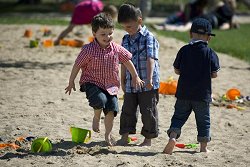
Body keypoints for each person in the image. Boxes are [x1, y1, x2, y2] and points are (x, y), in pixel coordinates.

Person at [65, 13, 144, 146]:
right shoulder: (88, 49)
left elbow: (127, 61)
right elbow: (77, 64)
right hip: (91, 82)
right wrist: (71, 81)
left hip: (111, 85)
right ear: (94, 33)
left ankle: (107, 134)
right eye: (103, 34)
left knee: (112, 110)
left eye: (110, 33)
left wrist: (136, 76)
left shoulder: (116, 49)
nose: (107, 37)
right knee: (100, 100)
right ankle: (96, 117)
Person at [163, 18, 220, 154]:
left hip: (183, 93)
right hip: (202, 95)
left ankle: (173, 137)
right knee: (203, 121)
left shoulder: (184, 50)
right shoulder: (210, 53)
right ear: (208, 38)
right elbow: (214, 74)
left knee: (178, 117)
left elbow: (177, 70)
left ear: (190, 34)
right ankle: (203, 147)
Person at [117, 3, 160, 146]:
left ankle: (148, 139)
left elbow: (151, 59)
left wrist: (148, 79)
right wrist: (122, 80)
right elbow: (123, 61)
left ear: (139, 21)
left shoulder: (149, 37)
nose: (127, 29)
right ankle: (125, 136)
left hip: (148, 82)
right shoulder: (125, 39)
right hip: (130, 82)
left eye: (129, 26)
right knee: (127, 110)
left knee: (148, 111)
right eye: (124, 27)